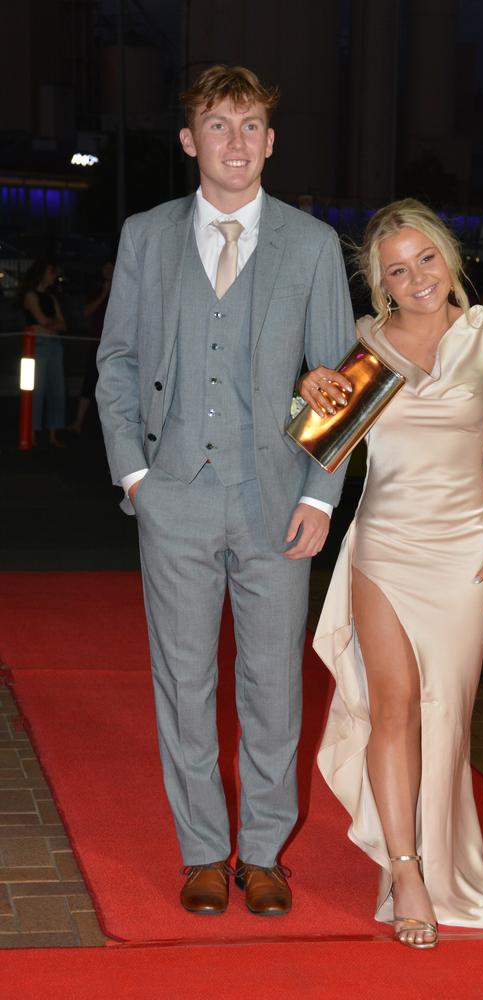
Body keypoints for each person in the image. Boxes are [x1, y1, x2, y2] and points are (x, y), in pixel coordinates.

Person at [96, 65, 355, 918]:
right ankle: (205, 851)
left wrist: (320, 497)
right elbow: (119, 363)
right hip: (172, 495)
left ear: (271, 141)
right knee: (183, 681)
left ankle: (266, 853)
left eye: (250, 126)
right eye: (218, 125)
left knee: (274, 687)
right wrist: (135, 474)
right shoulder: (145, 236)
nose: (235, 142)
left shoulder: (312, 246)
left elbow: (337, 385)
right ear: (189, 138)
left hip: (275, 501)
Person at [304, 199, 483, 948]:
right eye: (398, 270)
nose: (417, 277)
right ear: (382, 285)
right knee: (395, 707)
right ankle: (404, 870)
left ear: (448, 256)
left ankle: (442, 860)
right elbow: (317, 442)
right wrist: (308, 389)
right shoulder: (368, 348)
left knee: (448, 715)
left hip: (465, 550)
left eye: (425, 258)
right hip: (384, 547)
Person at [21, 260, 67, 447]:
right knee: (36, 390)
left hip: (54, 344)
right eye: (51, 270)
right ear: (41, 273)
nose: (54, 275)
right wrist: (51, 324)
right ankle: (32, 433)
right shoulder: (31, 295)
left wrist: (49, 325)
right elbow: (43, 320)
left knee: (57, 390)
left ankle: (53, 435)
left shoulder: (51, 297)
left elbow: (63, 325)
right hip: (37, 345)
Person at [70, 260, 114, 435]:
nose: (108, 270)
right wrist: (104, 293)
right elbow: (87, 312)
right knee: (90, 382)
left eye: (111, 267)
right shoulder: (97, 290)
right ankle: (78, 421)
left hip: (117, 344)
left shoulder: (125, 286)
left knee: (115, 384)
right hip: (98, 343)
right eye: (105, 267)